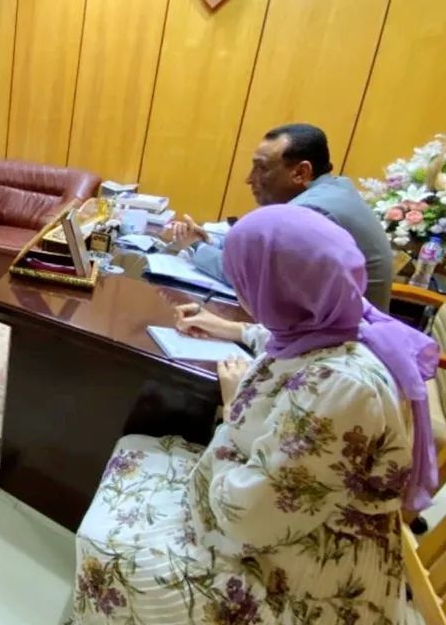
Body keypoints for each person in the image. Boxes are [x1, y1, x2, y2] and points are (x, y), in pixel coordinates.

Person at [73, 204, 437, 623]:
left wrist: (233, 410)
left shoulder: (343, 389)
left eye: (243, 280)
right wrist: (230, 328)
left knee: (105, 540)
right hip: (293, 522)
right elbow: (293, 341)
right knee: (135, 446)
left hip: (302, 575)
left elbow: (251, 519)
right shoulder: (344, 320)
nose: (242, 291)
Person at [168, 123, 394, 311]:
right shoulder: (336, 189)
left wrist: (196, 246)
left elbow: (251, 278)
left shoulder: (311, 212)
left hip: (344, 343)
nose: (249, 179)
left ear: (301, 172)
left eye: (261, 168)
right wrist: (212, 242)